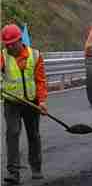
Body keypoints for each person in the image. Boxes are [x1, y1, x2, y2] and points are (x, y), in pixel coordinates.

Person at [1, 24, 48, 183]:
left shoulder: (35, 56)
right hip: (12, 103)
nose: (9, 47)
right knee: (12, 134)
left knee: (33, 134)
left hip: (31, 102)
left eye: (12, 44)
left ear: (20, 40)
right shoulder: (3, 56)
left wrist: (42, 101)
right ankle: (13, 172)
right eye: (6, 45)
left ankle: (36, 167)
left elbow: (40, 81)